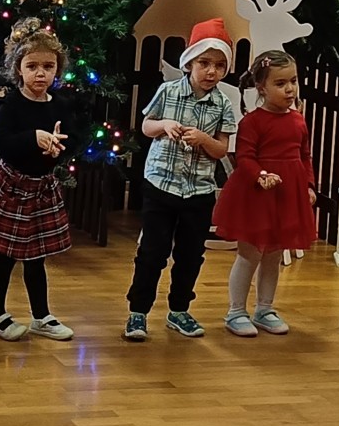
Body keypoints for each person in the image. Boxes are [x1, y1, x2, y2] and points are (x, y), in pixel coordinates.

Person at [124, 19, 238, 341]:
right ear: (189, 62)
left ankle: (179, 310)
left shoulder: (223, 104)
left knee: (190, 255)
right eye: (204, 63)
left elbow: (221, 149)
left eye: (219, 65)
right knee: (152, 252)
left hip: (199, 190)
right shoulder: (168, 91)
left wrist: (203, 139)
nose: (211, 71)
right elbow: (147, 126)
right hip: (161, 184)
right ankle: (138, 312)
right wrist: (165, 125)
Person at [0, 18, 76, 342]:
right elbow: (2, 143)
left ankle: (41, 315)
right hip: (12, 187)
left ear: (57, 70)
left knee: (36, 256)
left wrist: (57, 149)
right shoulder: (11, 104)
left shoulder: (60, 106)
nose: (41, 73)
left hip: (42, 188)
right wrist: (33, 138)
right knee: (4, 255)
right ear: (18, 69)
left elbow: (70, 140)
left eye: (48, 67)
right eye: (32, 66)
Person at [215, 50, 316, 337]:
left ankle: (264, 309)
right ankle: (236, 311)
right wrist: (261, 176)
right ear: (261, 87)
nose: (290, 89)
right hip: (257, 196)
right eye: (280, 83)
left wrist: (309, 186)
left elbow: (305, 156)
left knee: (274, 255)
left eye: (293, 81)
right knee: (249, 255)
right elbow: (245, 157)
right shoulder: (252, 122)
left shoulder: (298, 120)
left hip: (286, 195)